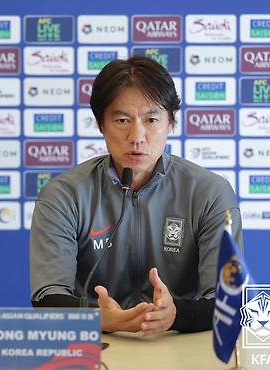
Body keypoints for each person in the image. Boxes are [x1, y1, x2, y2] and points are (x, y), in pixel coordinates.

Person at [29, 56, 242, 336]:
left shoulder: (209, 193)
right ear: (100, 124)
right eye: (121, 120)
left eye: (151, 119)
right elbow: (47, 296)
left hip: (182, 344)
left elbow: (229, 301)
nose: (137, 136)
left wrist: (174, 315)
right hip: (95, 345)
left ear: (170, 122)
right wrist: (100, 318)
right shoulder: (64, 195)